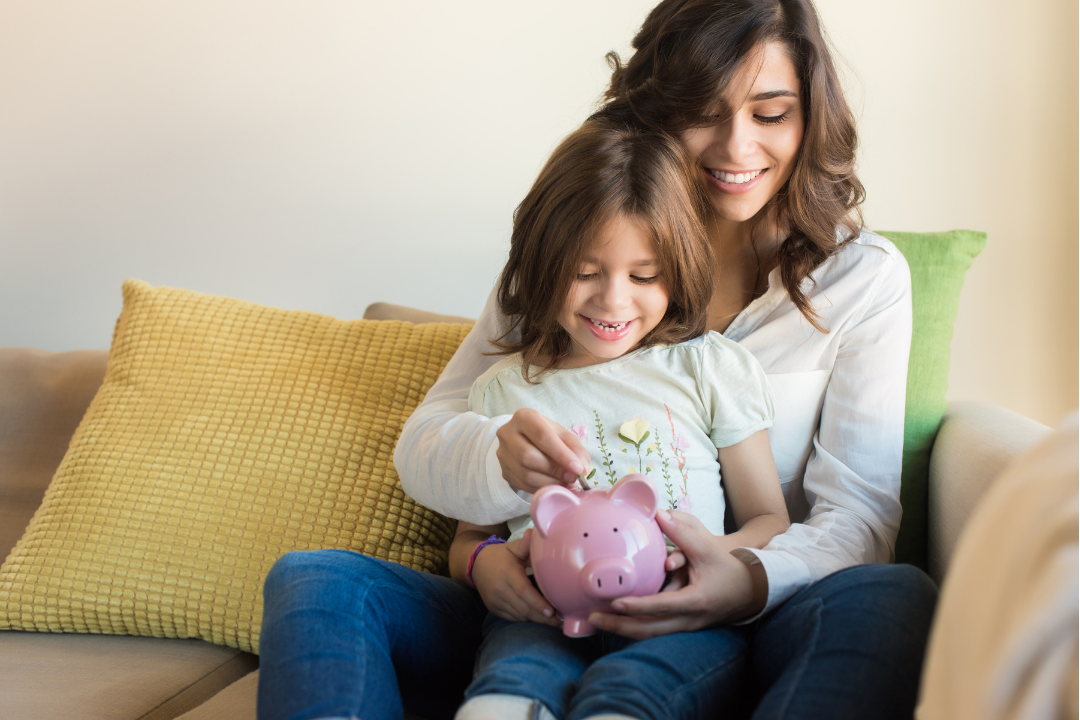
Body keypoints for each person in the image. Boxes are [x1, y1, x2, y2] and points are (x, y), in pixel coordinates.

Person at [259, 0, 938, 718]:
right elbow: (430, 440)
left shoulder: (861, 280)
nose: (738, 147)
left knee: (892, 595)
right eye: (704, 111)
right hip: (537, 616)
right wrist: (491, 504)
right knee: (315, 580)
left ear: (811, 117)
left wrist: (744, 578)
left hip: (749, 619)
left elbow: (858, 517)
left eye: (771, 114)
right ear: (653, 110)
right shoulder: (568, 263)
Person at [448, 118, 790, 720]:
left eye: (643, 276)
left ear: (677, 269)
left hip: (680, 617)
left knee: (634, 694)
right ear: (540, 262)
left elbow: (769, 517)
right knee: (511, 682)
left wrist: (716, 558)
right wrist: (484, 567)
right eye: (584, 272)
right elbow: (470, 540)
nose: (613, 300)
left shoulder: (706, 366)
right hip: (544, 619)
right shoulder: (502, 391)